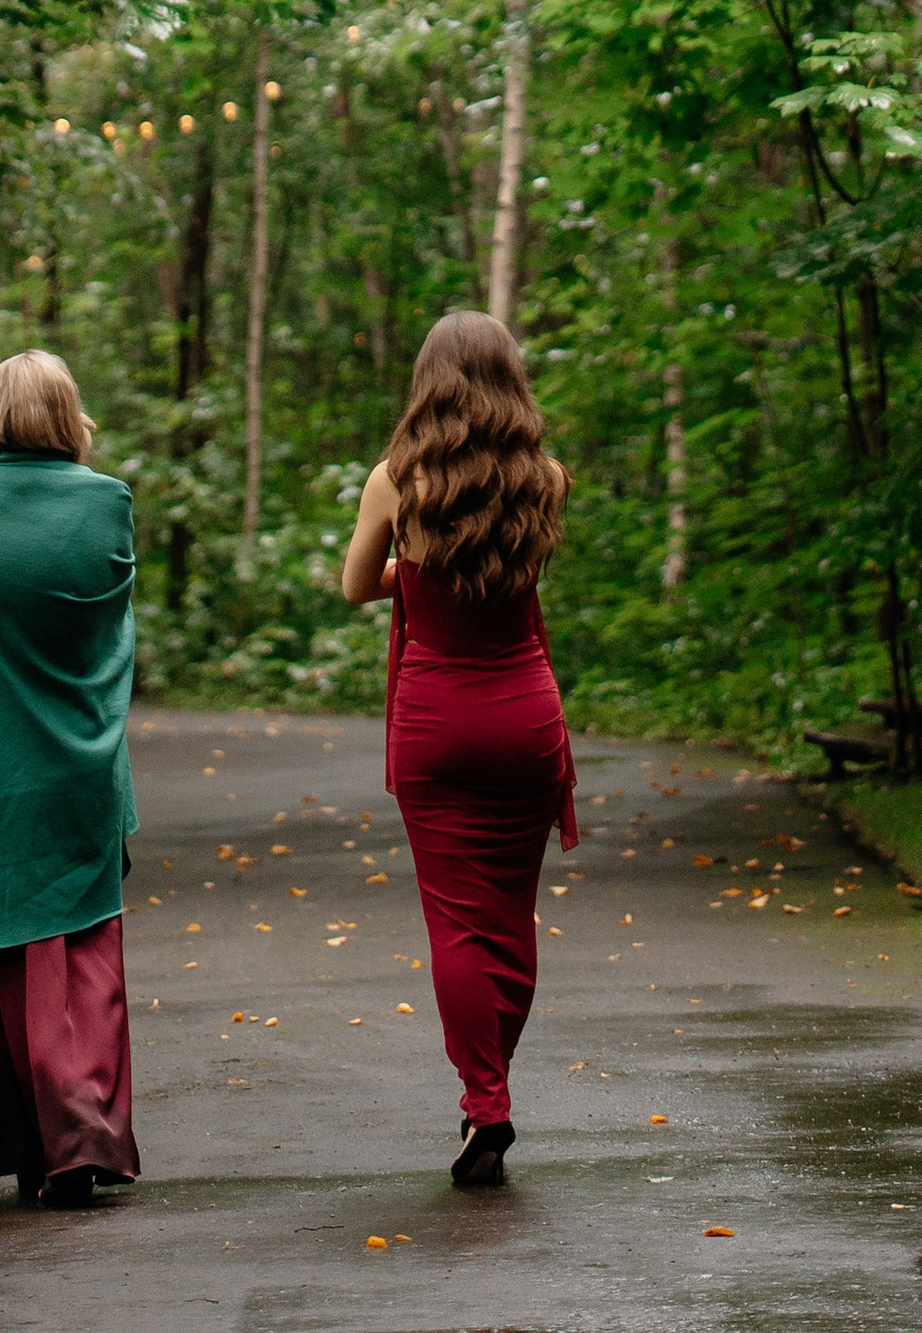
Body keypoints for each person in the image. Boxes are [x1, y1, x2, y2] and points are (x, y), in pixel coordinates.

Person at [340, 309, 577, 1188]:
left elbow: (357, 586)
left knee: (457, 922)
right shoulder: (546, 479)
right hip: (524, 716)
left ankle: (487, 1101)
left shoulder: (394, 482)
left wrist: (416, 561)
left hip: (437, 724)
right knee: (509, 917)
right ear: (512, 379)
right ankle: (491, 1087)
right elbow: (513, 571)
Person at [0, 349, 142, 1209]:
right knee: (79, 957)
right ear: (68, 417)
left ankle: (25, 1142)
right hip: (74, 760)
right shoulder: (104, 502)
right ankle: (78, 1139)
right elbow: (104, 633)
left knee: (8, 954)